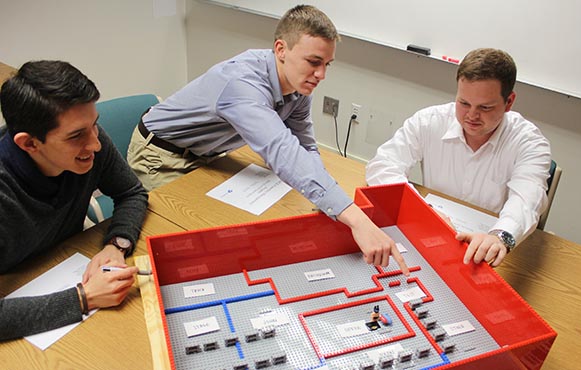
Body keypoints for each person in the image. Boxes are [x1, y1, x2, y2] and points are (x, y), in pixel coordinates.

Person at [127, 5, 409, 275]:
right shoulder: (242, 84)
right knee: (184, 243)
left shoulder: (297, 85)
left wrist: (329, 201)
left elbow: (305, 145)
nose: (321, 75)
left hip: (206, 155)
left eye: (326, 64)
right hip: (160, 155)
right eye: (313, 62)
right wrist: (357, 219)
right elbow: (283, 152)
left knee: (237, 233)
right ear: (281, 49)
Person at [0, 60, 148, 340]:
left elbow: (131, 193)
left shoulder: (89, 141)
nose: (95, 144)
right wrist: (83, 298)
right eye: (77, 135)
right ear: (29, 143)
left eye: (94, 125)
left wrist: (117, 244)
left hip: (59, 261)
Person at [365, 48, 551, 267]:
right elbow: (383, 165)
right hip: (432, 237)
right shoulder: (430, 121)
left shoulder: (529, 142)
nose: (471, 115)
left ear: (509, 102)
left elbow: (527, 201)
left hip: (484, 253)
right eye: (463, 103)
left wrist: (499, 237)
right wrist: (424, 212)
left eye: (485, 107)